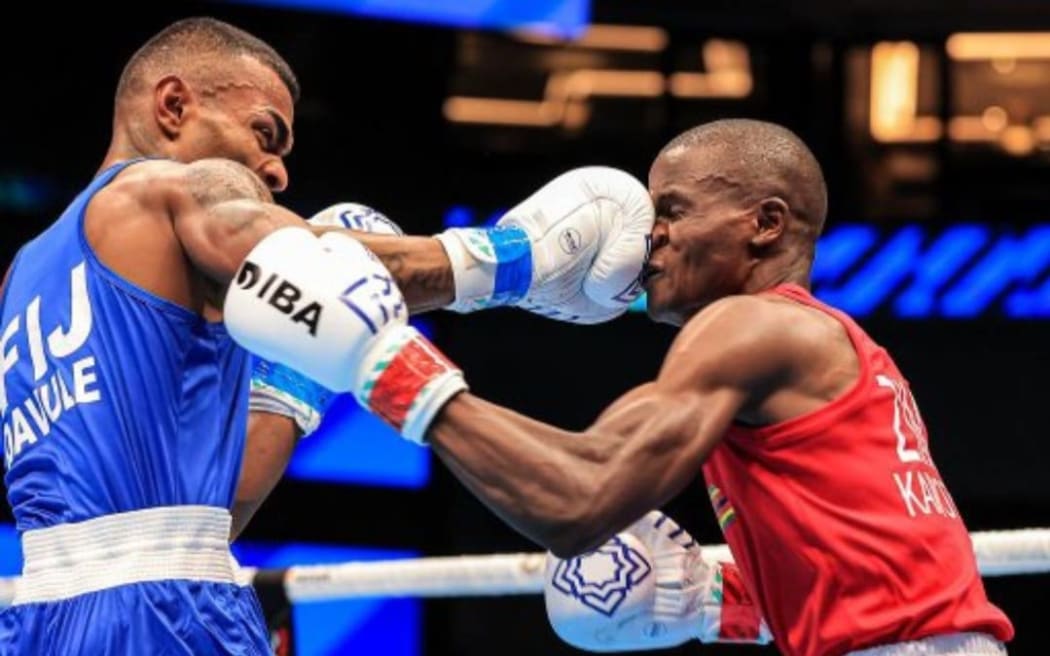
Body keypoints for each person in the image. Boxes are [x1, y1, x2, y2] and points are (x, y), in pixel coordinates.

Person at [0, 16, 653, 654]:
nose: (277, 171)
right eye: (266, 133)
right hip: (176, 611)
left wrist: (290, 384)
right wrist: (511, 260)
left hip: (39, 615)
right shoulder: (165, 190)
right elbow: (302, 262)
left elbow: (205, 517)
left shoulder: (23, 277)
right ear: (173, 105)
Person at [248, 119, 1015, 655]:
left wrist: (381, 365)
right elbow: (884, 568)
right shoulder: (826, 346)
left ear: (765, 223)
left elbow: (579, 500)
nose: (652, 235)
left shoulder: (750, 327)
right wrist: (721, 604)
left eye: (675, 210)